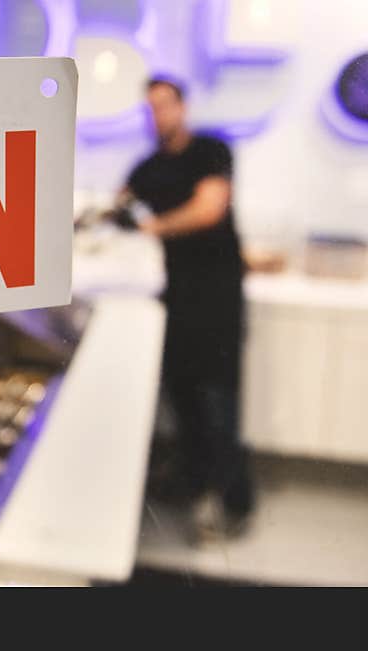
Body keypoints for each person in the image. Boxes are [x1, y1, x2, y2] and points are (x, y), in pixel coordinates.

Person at [122, 76, 254, 541]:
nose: (158, 115)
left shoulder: (210, 152)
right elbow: (121, 207)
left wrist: (152, 227)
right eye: (150, 107)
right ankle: (196, 490)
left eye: (164, 105)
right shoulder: (147, 167)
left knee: (219, 403)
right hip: (173, 299)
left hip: (216, 296)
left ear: (182, 106)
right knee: (184, 402)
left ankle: (232, 504)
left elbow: (208, 210)